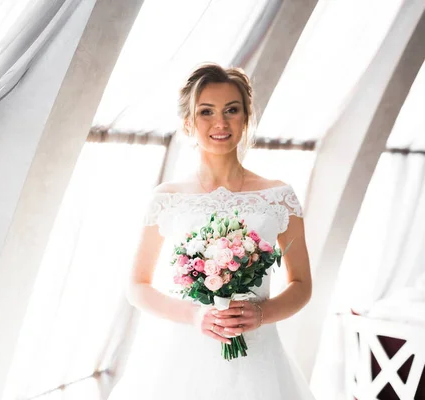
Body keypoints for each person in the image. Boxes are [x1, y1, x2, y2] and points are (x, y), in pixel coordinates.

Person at [107, 64, 315, 399]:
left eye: (232, 110)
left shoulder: (279, 197)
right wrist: (196, 315)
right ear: (189, 122)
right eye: (207, 112)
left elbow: (302, 284)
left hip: (258, 359)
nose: (220, 123)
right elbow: (137, 285)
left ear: (246, 117)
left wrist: (261, 313)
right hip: (181, 357)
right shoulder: (167, 198)